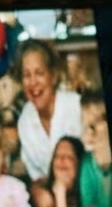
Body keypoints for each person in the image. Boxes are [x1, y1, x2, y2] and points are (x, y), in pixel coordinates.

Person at [13, 40, 85, 183]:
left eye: (39, 73)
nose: (33, 83)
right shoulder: (25, 120)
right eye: (27, 75)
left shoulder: (77, 107)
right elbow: (35, 173)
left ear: (53, 76)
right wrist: (37, 188)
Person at [31, 135, 106, 207]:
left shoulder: (88, 196)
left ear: (79, 163)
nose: (62, 160)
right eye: (57, 156)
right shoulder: (45, 195)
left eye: (69, 157)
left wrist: (60, 193)